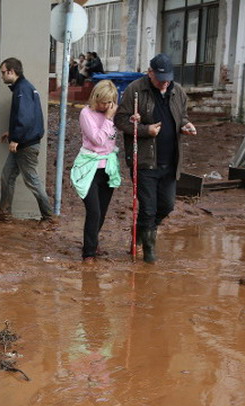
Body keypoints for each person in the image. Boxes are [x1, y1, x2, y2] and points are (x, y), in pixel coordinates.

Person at [114, 53, 196, 263]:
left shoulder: (177, 92)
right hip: (145, 161)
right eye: (160, 78)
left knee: (167, 205)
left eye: (168, 78)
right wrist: (144, 130)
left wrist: (186, 126)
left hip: (170, 161)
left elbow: (182, 116)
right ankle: (149, 253)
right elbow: (121, 120)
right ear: (150, 72)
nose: (164, 83)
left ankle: (140, 232)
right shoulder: (135, 90)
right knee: (148, 208)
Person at [0, 57, 56, 224]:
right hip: (24, 142)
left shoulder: (22, 89)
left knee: (32, 180)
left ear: (12, 72)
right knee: (7, 176)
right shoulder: (24, 88)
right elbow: (28, 117)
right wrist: (11, 133)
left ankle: (48, 216)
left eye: (4, 73)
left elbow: (25, 118)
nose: (2, 76)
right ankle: (4, 213)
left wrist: (16, 139)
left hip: (25, 145)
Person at [70, 80, 122, 263]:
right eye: (102, 102)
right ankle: (88, 253)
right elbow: (98, 140)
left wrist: (132, 120)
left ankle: (93, 242)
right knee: (94, 211)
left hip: (108, 166)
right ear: (95, 98)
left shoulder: (113, 112)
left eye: (110, 102)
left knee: (102, 210)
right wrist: (108, 119)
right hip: (89, 167)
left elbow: (121, 129)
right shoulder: (86, 113)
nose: (106, 106)